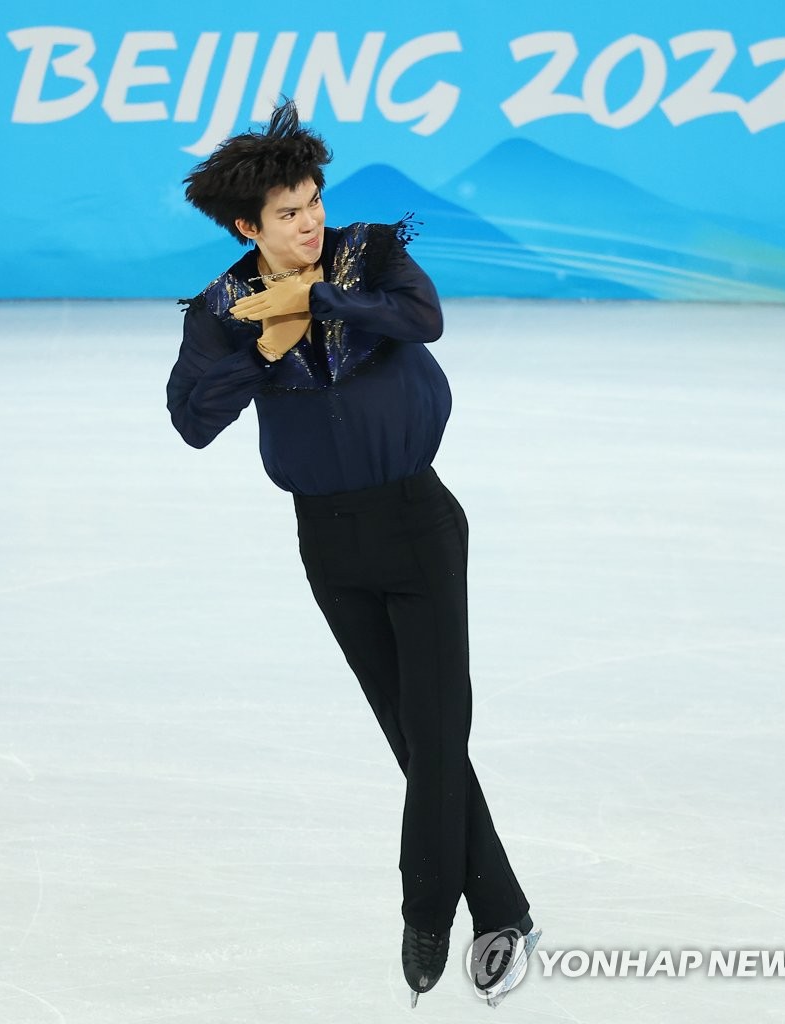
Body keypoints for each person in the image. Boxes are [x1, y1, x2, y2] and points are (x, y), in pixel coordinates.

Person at [166, 99, 538, 1005]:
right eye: (287, 215)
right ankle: (503, 907)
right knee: (414, 737)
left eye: (312, 204)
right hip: (326, 540)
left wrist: (322, 296)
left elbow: (422, 318)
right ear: (249, 226)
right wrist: (262, 344)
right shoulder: (223, 307)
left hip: (416, 519)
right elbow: (190, 422)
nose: (309, 224)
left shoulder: (369, 253)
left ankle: (426, 911)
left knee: (439, 723)